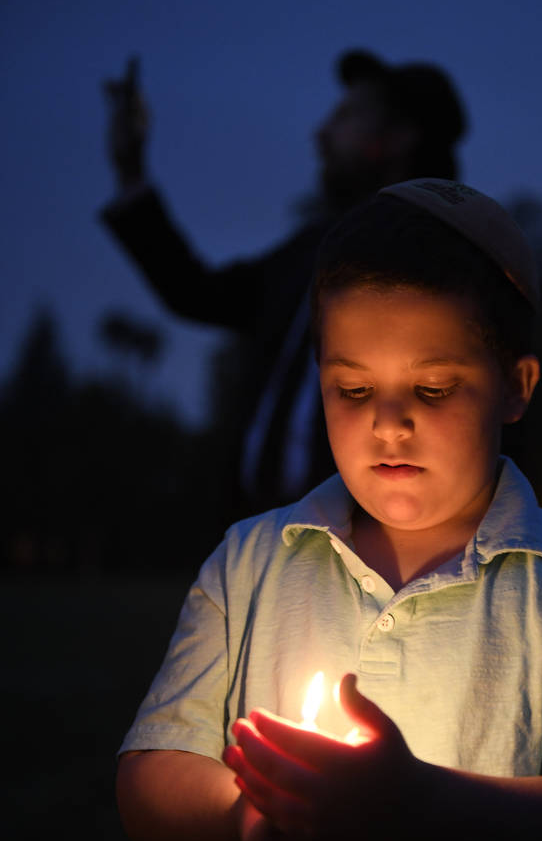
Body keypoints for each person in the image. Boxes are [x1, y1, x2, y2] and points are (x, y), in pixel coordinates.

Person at [115, 179, 542, 841]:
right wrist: (252, 820)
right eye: (352, 389)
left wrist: (410, 804)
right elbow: (152, 774)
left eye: (432, 387)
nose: (389, 421)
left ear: (517, 386)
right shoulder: (250, 561)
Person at [100, 53, 468, 514]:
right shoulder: (313, 251)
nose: (321, 134)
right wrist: (130, 171)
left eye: (346, 116)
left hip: (374, 563)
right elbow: (197, 292)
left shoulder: (454, 266)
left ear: (397, 138)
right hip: (264, 549)